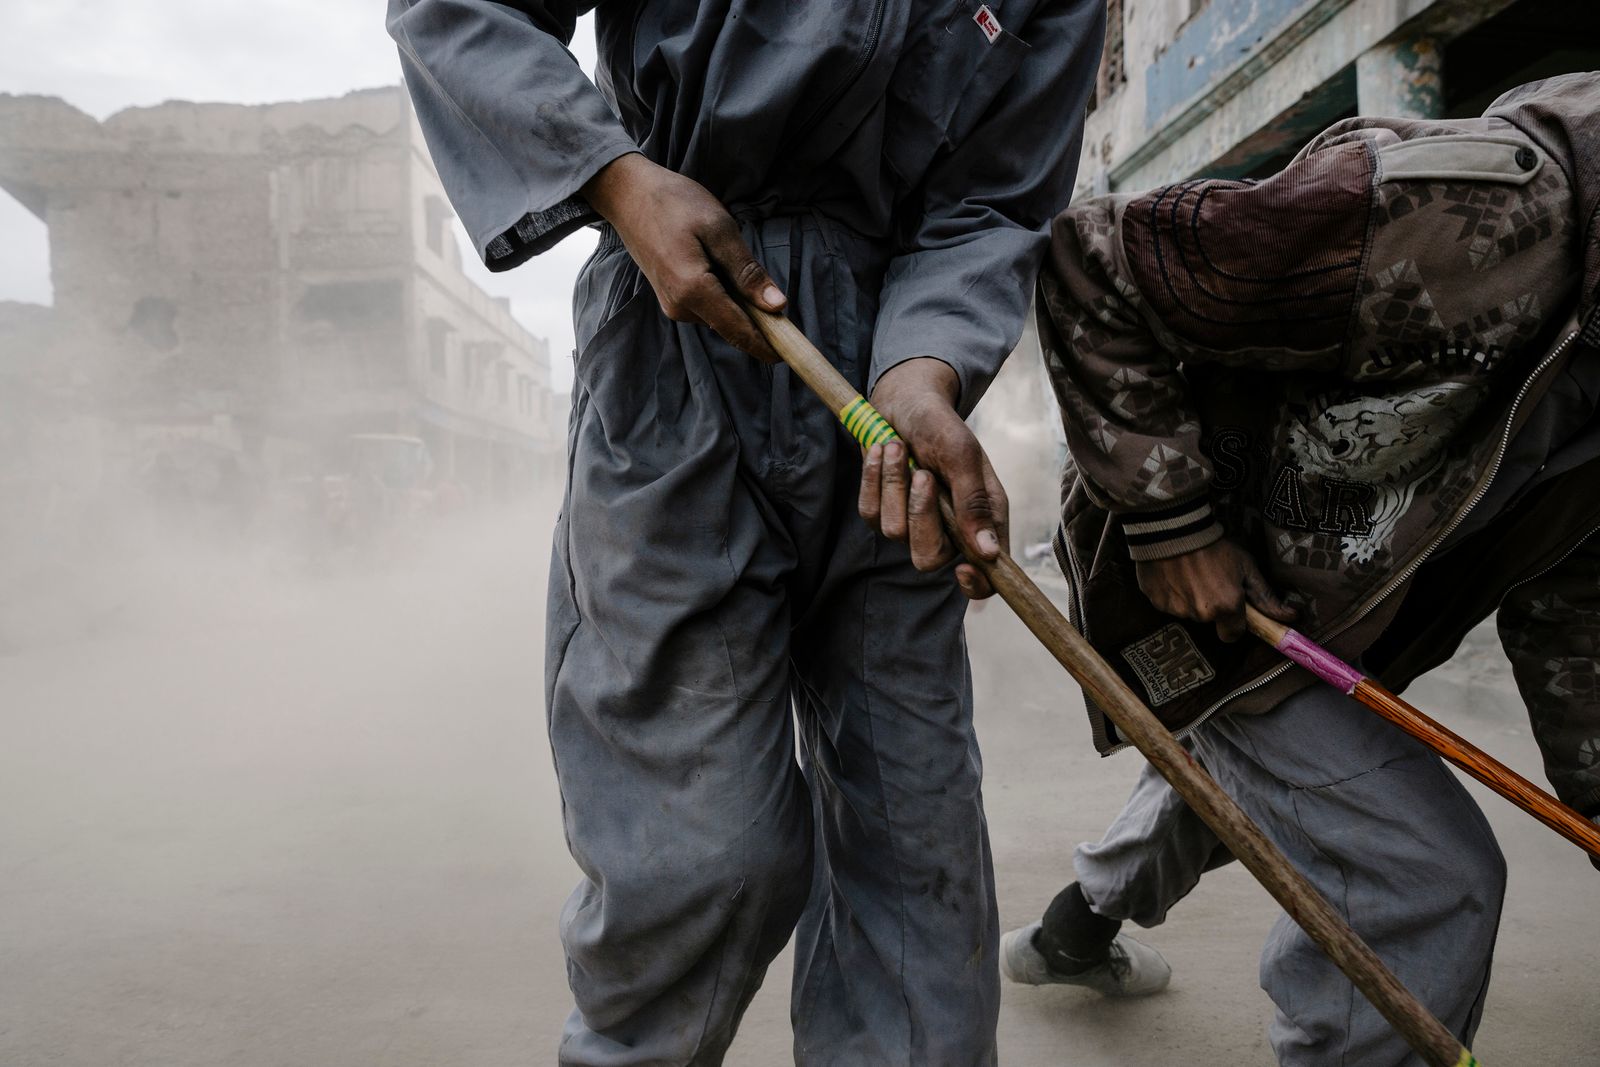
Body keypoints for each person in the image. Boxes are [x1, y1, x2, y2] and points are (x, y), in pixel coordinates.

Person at [385, 2, 1104, 1063]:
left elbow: (994, 195)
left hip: (889, 398)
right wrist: (616, 176)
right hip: (679, 344)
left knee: (916, 876)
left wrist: (926, 362)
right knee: (703, 860)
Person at [1005, 73, 1600, 1066]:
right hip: (1199, 584)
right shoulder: (1467, 213)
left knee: (1248, 770)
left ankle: (1072, 929)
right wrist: (1175, 527)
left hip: (1344, 610)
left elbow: (1573, 597)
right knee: (1423, 877)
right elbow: (1092, 262)